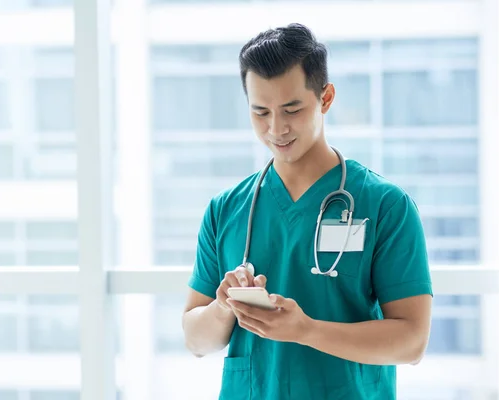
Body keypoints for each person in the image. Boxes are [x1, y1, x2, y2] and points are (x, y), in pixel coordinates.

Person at [181, 23, 433, 400]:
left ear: (326, 98)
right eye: (260, 112)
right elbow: (196, 340)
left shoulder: (386, 207)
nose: (276, 129)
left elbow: (411, 341)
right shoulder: (226, 209)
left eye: (292, 109)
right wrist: (222, 308)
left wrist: (306, 330)